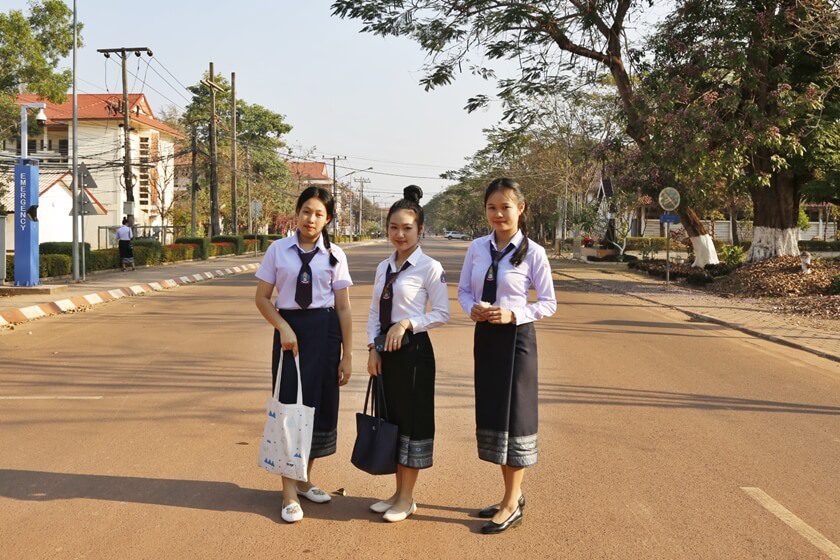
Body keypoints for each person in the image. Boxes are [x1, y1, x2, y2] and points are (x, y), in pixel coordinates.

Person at [457, 178, 557, 534]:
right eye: (492, 208)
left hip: (517, 341)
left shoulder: (535, 253)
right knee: (496, 417)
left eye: (505, 207)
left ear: (521, 209)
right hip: (486, 338)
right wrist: (472, 309)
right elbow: (465, 291)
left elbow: (548, 303)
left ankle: (512, 503)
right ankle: (509, 496)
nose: (498, 214)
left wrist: (514, 314)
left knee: (517, 419)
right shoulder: (477, 248)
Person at [254, 186, 354, 524]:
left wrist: (347, 354)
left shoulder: (335, 255)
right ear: (298, 211)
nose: (311, 219)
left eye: (319, 214)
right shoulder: (278, 250)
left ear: (328, 220)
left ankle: (305, 477)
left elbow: (343, 307)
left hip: (326, 334)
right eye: (307, 211)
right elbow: (263, 298)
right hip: (290, 334)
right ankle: (288, 493)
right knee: (290, 409)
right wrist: (283, 327)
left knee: (319, 408)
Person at [366, 185, 449, 523]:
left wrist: (407, 324)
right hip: (386, 353)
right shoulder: (383, 267)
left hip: (414, 354)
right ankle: (398, 494)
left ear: (421, 230)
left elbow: (442, 313)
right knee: (392, 422)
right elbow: (373, 310)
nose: (400, 234)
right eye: (394, 228)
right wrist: (373, 347)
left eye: (407, 228)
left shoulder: (429, 267)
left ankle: (407, 497)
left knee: (412, 424)